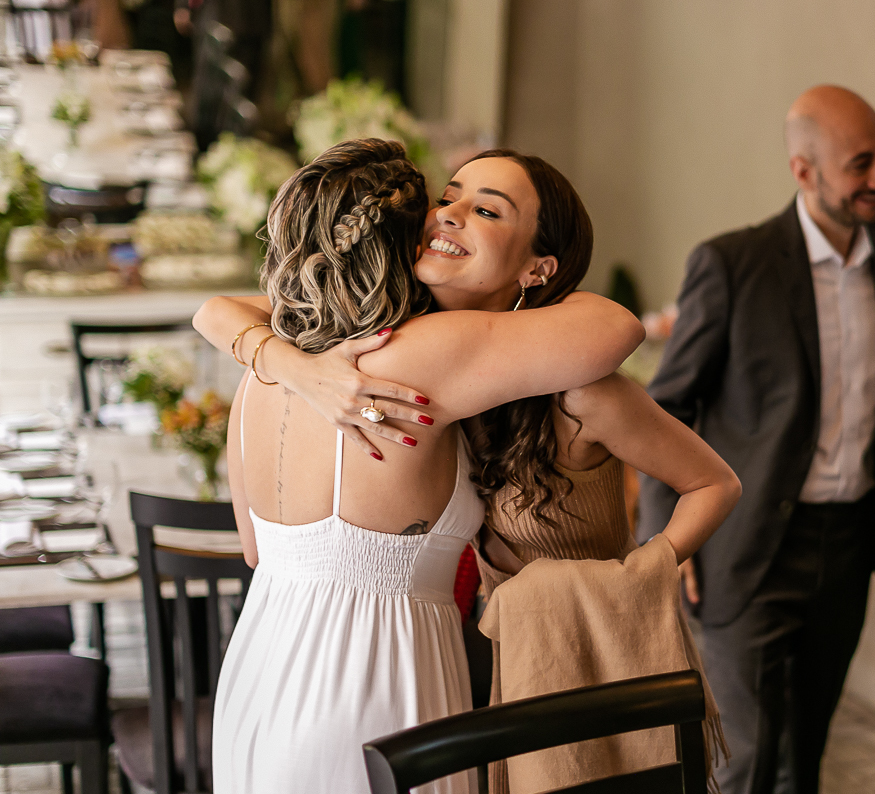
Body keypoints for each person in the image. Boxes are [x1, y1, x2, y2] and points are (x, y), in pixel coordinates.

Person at [194, 148, 740, 792]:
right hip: (377, 684)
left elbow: (254, 550)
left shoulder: (269, 365)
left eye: (485, 209)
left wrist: (284, 360)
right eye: (446, 198)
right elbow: (616, 325)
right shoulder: (420, 353)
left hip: (258, 676)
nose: (448, 215)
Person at [635, 86, 875, 794]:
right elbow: (666, 409)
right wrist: (669, 539)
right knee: (746, 758)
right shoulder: (733, 264)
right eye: (861, 165)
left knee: (805, 758)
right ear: (803, 170)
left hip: (850, 546)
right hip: (747, 545)